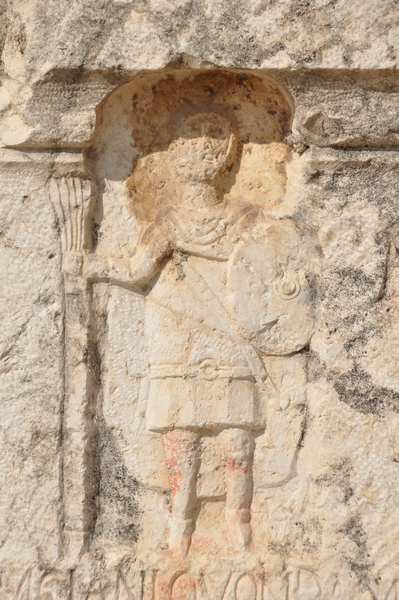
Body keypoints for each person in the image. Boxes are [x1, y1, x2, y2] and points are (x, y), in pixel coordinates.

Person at [75, 110, 313, 557]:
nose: (201, 150)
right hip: (179, 338)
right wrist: (89, 265)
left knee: (236, 436)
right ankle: (179, 526)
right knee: (181, 437)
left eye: (212, 142)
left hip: (229, 337)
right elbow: (135, 269)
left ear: (224, 158)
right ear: (175, 158)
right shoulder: (166, 222)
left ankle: (237, 521)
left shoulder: (246, 219)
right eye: (190, 141)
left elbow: (273, 273)